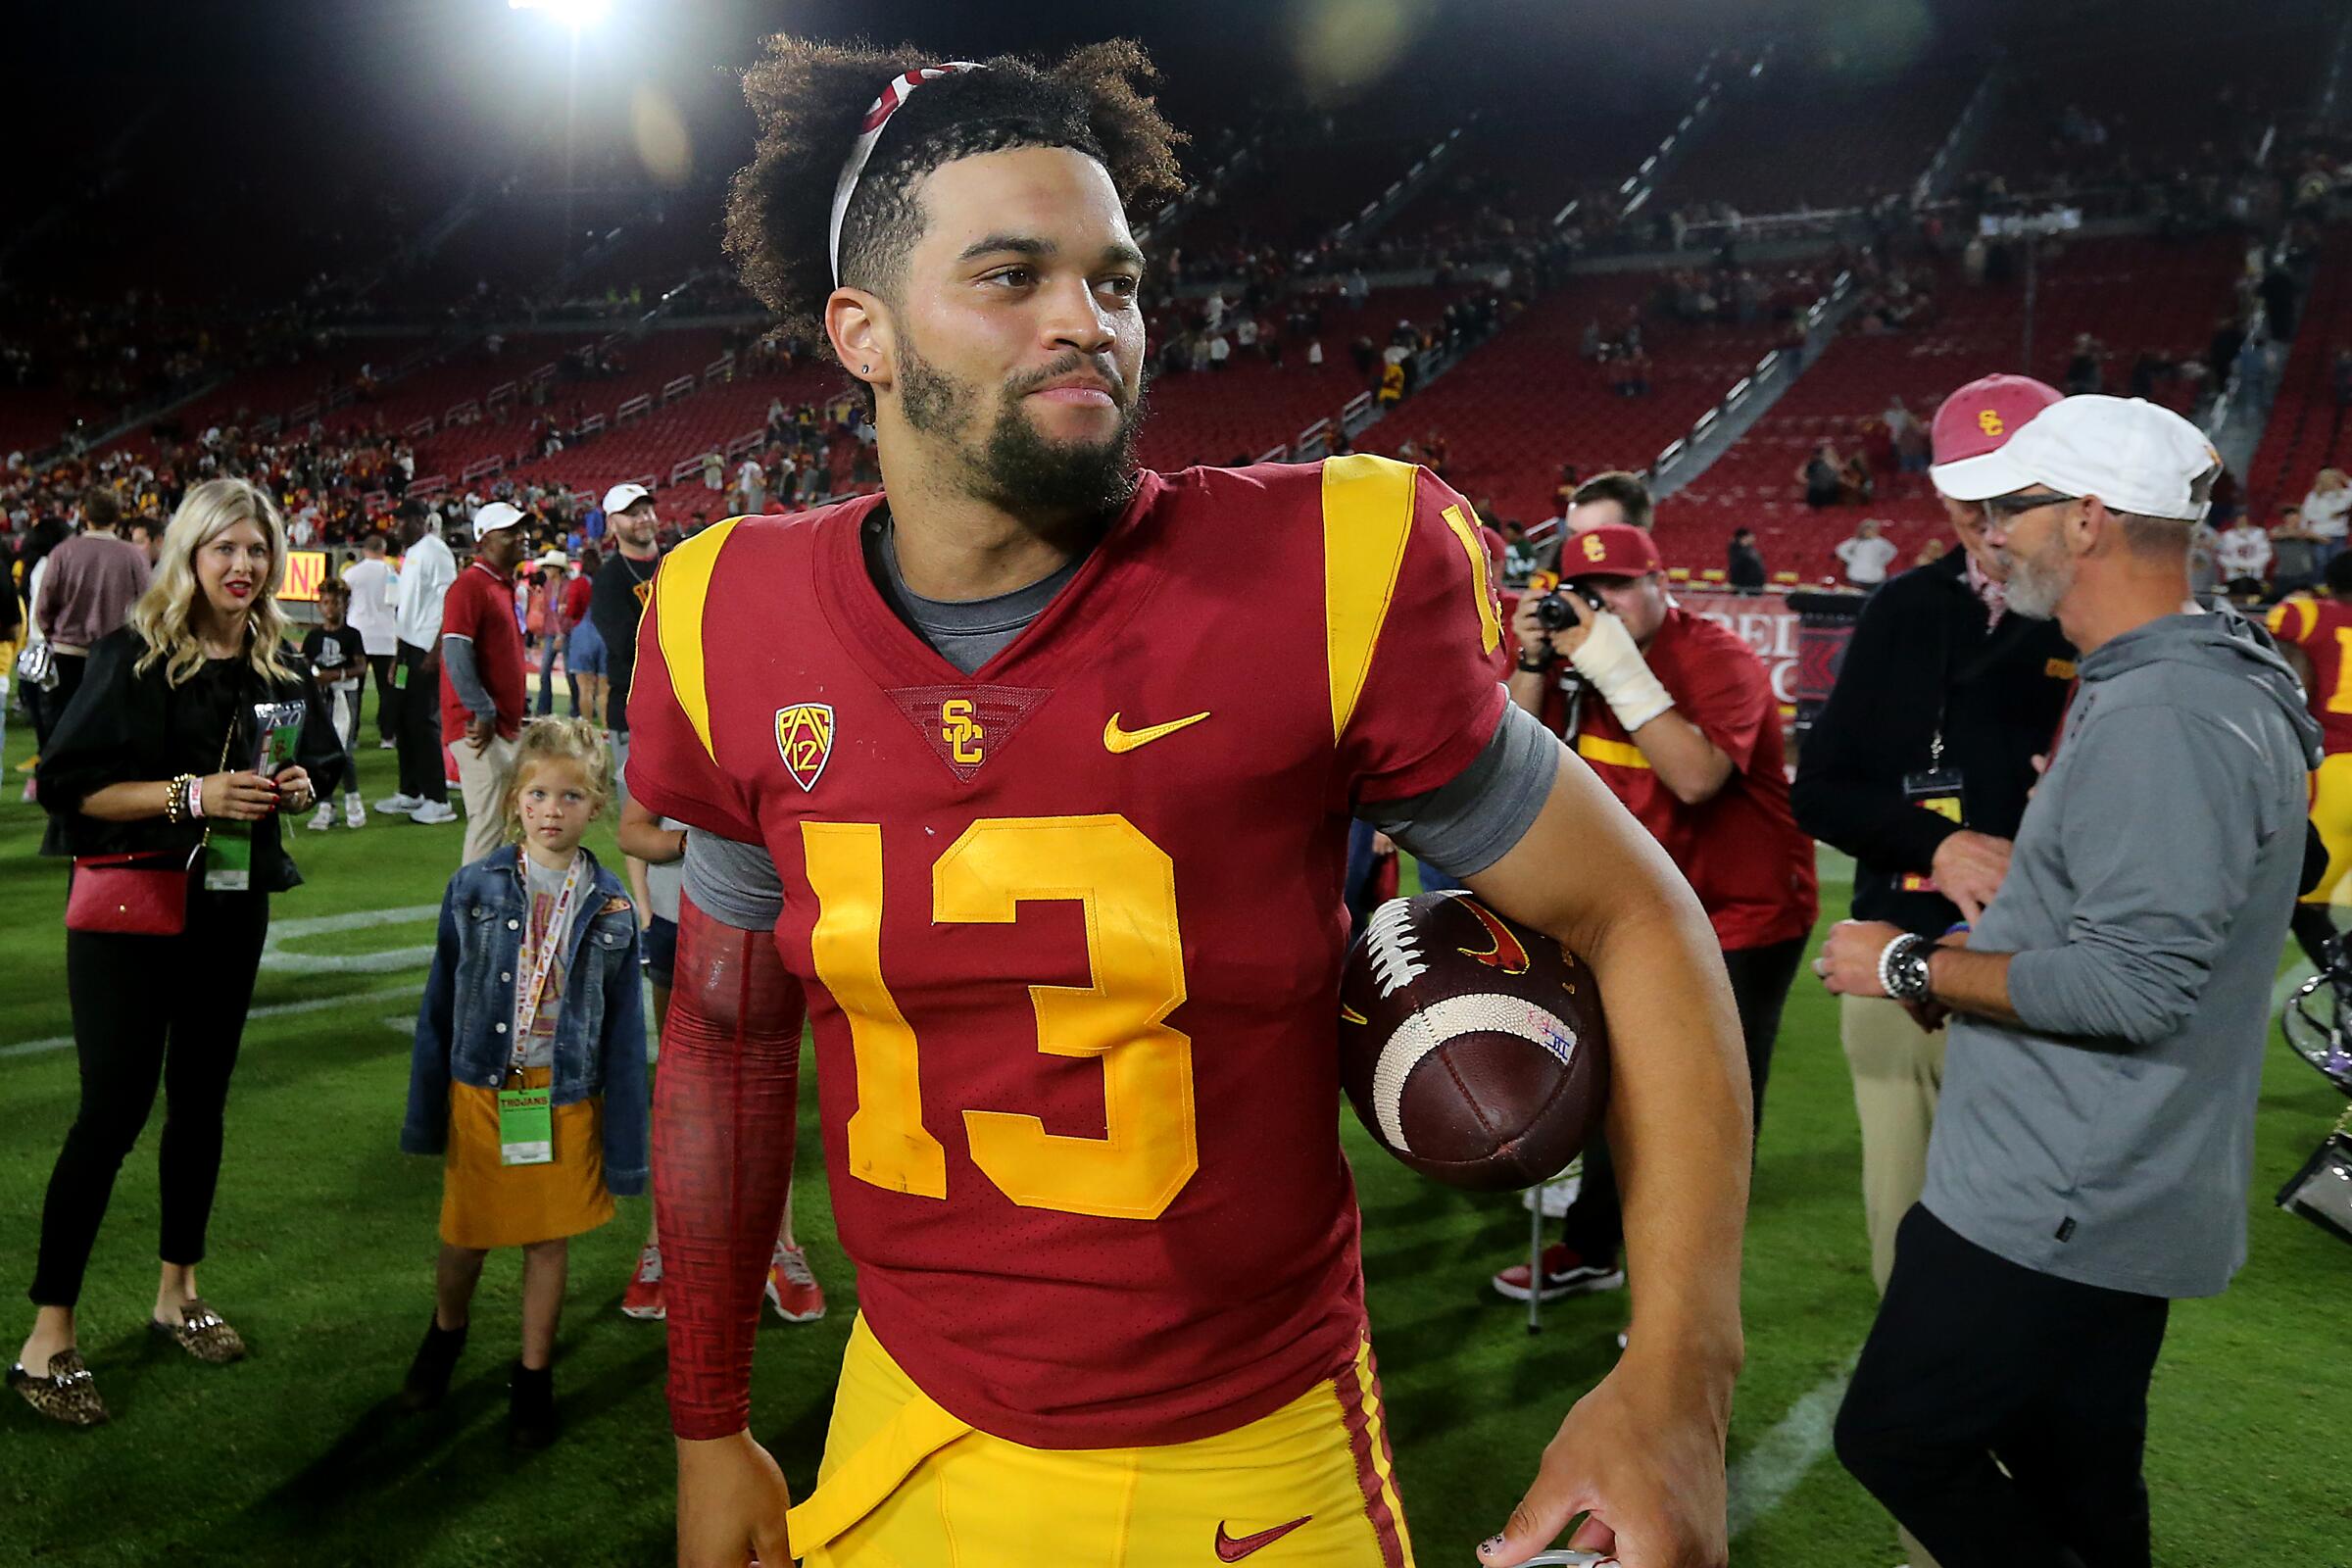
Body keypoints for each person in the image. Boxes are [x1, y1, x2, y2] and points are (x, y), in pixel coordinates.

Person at [637, 39, 1750, 1568]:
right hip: (905, 1410)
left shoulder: (1326, 569)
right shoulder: (724, 615)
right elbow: (726, 1024)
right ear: (864, 334)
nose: (1085, 323)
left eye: (1116, 281)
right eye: (1012, 276)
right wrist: (711, 1421)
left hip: (1247, 1443)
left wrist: (1681, 1378)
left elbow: (1637, 911)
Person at [1819, 395, 2317, 1568]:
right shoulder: (2188, 677)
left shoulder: (2170, 710)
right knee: (2081, 1481)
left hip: (2062, 1188)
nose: (1987, 532)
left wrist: (1905, 961)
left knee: (1898, 1438)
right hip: (2101, 1176)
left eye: (2010, 508)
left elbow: (2134, 986)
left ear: (2087, 519)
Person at [12, 478, 337, 1428]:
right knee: (111, 1113)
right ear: (189, 555)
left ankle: (177, 1292)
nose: (243, 566)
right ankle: (47, 1335)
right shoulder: (132, 657)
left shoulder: (282, 667)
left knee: (200, 1103)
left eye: (258, 550)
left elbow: (316, 764)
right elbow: (71, 788)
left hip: (232, 906)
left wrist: (299, 790)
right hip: (129, 915)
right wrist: (192, 795)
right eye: (225, 548)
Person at [1495, 523, 1816, 1303]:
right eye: (1588, 590)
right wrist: (1536, 661)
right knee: (1617, 1087)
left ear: (1661, 582)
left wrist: (1611, 662)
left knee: (1704, 1108)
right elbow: (1513, 762)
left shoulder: (1717, 656)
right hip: (1640, 910)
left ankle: (1689, 1305)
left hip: (1741, 912)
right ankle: (1594, 1247)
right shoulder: (1573, 658)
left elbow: (1696, 777)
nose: (1603, 605)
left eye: (1623, 585)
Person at [396, 718, 650, 1448]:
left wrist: (625, 1143)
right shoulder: (472, 887)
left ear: (596, 804)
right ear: (514, 800)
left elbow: (625, 1038)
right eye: (538, 792)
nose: (551, 808)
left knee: (547, 1240)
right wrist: (426, 1113)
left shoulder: (610, 907)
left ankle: (533, 1374)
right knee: (466, 1236)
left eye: (571, 796)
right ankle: (446, 1333)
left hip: (563, 1097)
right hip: (484, 1091)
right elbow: (438, 1007)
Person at [611, 801, 827, 1325]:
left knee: (770, 1094)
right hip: (677, 919)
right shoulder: (679, 732)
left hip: (774, 922)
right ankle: (663, 1243)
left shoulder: (782, 728)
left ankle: (780, 1246)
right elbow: (631, 834)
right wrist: (691, 845)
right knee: (681, 1097)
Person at [2266, 550, 2352, 968]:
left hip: (2336, 769)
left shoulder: (2313, 614)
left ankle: (2345, 989)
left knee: (2302, 900)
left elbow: (2278, 628)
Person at [587, 482, 665, 908]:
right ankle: (648, 914)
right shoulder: (608, 580)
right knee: (638, 815)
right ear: (612, 523)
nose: (643, 518)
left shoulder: (678, 561)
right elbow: (624, 643)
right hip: (633, 711)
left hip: (686, 708)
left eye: (647, 509)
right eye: (632, 512)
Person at [441, 502, 531, 864]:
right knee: (488, 826)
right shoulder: (471, 585)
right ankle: (471, 912)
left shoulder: (499, 586)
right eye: (510, 532)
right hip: (479, 727)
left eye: (521, 530)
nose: (521, 538)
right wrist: (482, 708)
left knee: (506, 824)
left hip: (501, 725)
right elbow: (456, 651)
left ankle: (496, 905)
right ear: (485, 540)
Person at [33, 486, 150, 735]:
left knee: (65, 729)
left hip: (68, 652)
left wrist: (51, 632)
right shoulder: (133, 556)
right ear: (118, 516)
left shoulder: (63, 553)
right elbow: (148, 605)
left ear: (84, 513)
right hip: (117, 656)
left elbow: (44, 605)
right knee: (108, 731)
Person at [378, 505, 459, 825]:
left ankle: (437, 799)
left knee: (422, 721)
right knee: (400, 717)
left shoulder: (435, 551)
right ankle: (410, 792)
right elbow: (407, 608)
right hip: (407, 648)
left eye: (402, 520)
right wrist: (397, 654)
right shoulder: (412, 553)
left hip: (425, 648)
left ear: (419, 521)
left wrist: (437, 648)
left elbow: (447, 599)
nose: (397, 526)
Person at [300, 577, 369, 831]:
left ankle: (353, 800)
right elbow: (304, 664)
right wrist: (313, 678)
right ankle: (325, 805)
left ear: (345, 604)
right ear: (319, 606)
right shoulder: (313, 636)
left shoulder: (352, 635)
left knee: (343, 750)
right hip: (320, 697)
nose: (331, 608)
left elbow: (361, 666)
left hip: (344, 695)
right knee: (322, 749)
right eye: (326, 603)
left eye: (336, 603)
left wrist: (336, 676)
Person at [342, 533, 401, 750]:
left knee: (353, 689)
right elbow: (397, 602)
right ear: (383, 550)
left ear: (364, 550)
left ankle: (353, 736)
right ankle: (387, 736)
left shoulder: (352, 573)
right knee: (387, 690)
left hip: (358, 634)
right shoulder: (392, 573)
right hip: (385, 636)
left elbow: (343, 599)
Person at [564, 543, 605, 725]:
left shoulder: (579, 583)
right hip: (605, 634)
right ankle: (608, 732)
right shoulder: (606, 580)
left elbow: (572, 610)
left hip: (583, 634)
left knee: (585, 688)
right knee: (605, 690)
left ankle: (587, 727)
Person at [529, 549, 570, 716]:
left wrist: (561, 634)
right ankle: (543, 709)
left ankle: (577, 707)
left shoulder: (568, 587)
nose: (545, 571)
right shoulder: (547, 587)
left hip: (566, 633)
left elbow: (569, 614)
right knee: (544, 671)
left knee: (571, 673)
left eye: (548, 567)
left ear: (556, 569)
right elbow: (548, 612)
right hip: (551, 632)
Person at [2215, 510, 2273, 594]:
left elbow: (2266, 554)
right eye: (2239, 519)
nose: (2241, 522)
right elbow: (2222, 556)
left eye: (2244, 519)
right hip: (2234, 576)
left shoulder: (2259, 533)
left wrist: (2250, 566)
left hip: (2254, 575)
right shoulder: (2227, 536)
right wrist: (2237, 566)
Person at [2301, 466, 2351, 564]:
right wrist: (2329, 516)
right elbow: (2307, 515)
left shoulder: (2344, 495)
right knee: (2320, 564)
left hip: (2339, 535)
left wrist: (2346, 479)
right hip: (2319, 536)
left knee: (2338, 564)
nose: (2332, 481)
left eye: (2334, 478)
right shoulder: (2313, 496)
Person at [1835, 517, 1897, 588]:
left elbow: (1892, 551)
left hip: (1876, 576)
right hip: (1857, 575)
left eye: (1872, 529)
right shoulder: (1855, 541)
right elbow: (1840, 549)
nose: (1869, 532)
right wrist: (1852, 560)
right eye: (1867, 530)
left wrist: (1881, 561)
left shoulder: (1880, 542)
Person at [1726, 526, 1766, 591]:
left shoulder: (1749, 550)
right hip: (1745, 589)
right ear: (1744, 537)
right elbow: (1735, 569)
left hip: (1754, 588)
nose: (1753, 538)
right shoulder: (1738, 552)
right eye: (1751, 536)